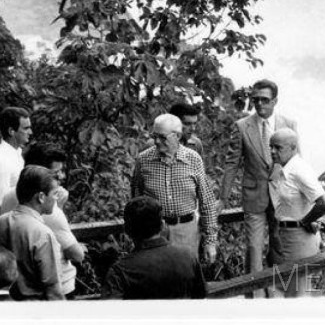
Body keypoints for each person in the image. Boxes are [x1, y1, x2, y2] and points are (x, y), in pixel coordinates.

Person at [219, 79, 298, 296]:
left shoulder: (288, 124)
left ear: (275, 101)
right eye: (255, 100)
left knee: (279, 246)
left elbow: (297, 162)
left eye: (264, 100)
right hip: (254, 196)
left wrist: (303, 199)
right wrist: (222, 199)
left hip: (282, 198)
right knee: (254, 249)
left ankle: (279, 294)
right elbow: (231, 163)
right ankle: (254, 297)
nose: (259, 104)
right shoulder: (242, 126)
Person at [0, 144, 85, 298]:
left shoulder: (8, 197)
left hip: (16, 285)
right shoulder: (51, 212)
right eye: (56, 174)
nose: (61, 178)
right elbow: (76, 255)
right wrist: (57, 207)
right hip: (53, 287)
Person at [131, 113, 217, 264]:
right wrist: (135, 235)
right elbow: (135, 199)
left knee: (185, 277)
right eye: (154, 136)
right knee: (155, 279)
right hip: (153, 233)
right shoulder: (143, 159)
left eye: (162, 137)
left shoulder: (193, 159)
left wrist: (210, 241)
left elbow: (207, 202)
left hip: (186, 231)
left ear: (177, 136)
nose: (156, 141)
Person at [101, 196, 207, 299]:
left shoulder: (121, 271)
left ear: (127, 230)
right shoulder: (188, 258)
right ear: (162, 225)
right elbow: (200, 298)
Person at [268, 128, 325, 297]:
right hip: (287, 237)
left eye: (278, 148)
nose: (273, 151)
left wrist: (304, 221)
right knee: (288, 289)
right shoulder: (285, 169)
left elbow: (324, 203)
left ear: (293, 147)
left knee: (297, 293)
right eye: (271, 147)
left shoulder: (299, 170)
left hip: (299, 239)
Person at [0, 165, 65, 300]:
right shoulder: (43, 234)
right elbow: (53, 291)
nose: (57, 199)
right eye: (55, 193)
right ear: (41, 197)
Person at [0, 107, 32, 215]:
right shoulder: (1, 159)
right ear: (11, 131)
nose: (30, 132)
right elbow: (1, 204)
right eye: (26, 128)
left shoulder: (16, 154)